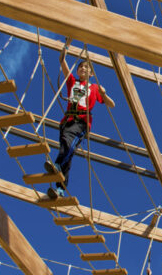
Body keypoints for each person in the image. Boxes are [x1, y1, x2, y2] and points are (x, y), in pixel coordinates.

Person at [43, 49, 113, 199]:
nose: (83, 69)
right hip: (67, 120)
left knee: (68, 145)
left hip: (81, 122)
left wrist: (104, 93)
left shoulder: (94, 88)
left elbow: (111, 104)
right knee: (66, 150)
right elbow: (62, 61)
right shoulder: (72, 82)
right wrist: (66, 46)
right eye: (81, 66)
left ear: (91, 74)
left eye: (87, 67)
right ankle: (60, 189)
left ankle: (57, 166)